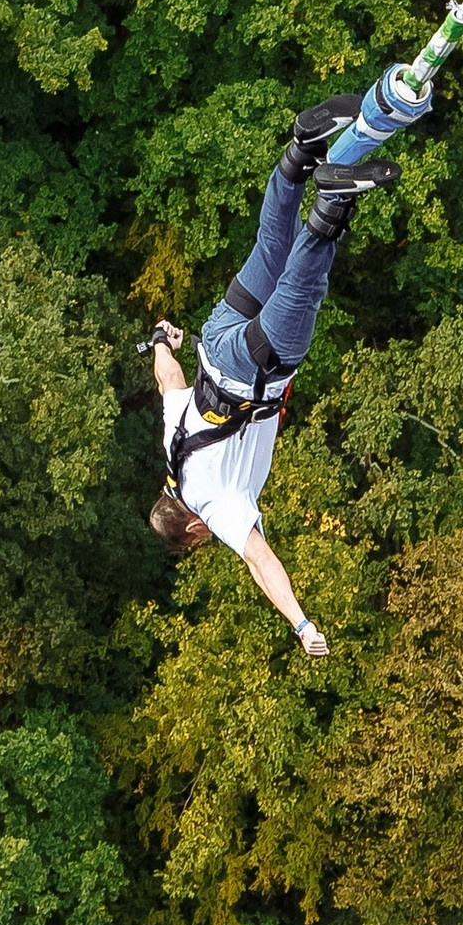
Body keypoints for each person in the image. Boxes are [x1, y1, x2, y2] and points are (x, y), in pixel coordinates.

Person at [148, 100, 400, 652]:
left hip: (255, 368)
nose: (209, 540)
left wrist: (301, 622)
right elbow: (168, 382)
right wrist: (160, 341)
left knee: (304, 284)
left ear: (192, 531)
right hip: (214, 343)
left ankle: (334, 199)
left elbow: (261, 562)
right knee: (272, 249)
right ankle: (300, 152)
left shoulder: (213, 507)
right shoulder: (171, 452)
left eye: (201, 542)